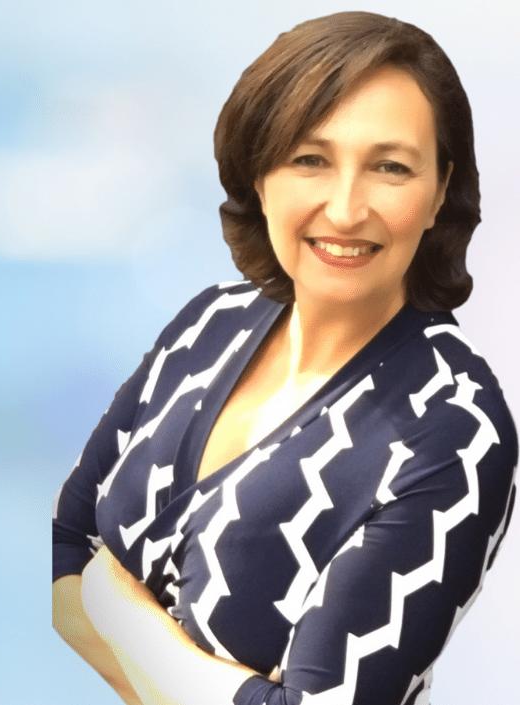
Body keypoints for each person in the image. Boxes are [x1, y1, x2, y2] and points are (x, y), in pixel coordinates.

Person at [52, 10, 518, 705]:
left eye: (390, 167)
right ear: (260, 173)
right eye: (310, 159)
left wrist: (113, 607)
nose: (346, 208)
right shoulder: (210, 323)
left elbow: (81, 580)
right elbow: (60, 545)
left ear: (440, 192)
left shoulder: (454, 429)